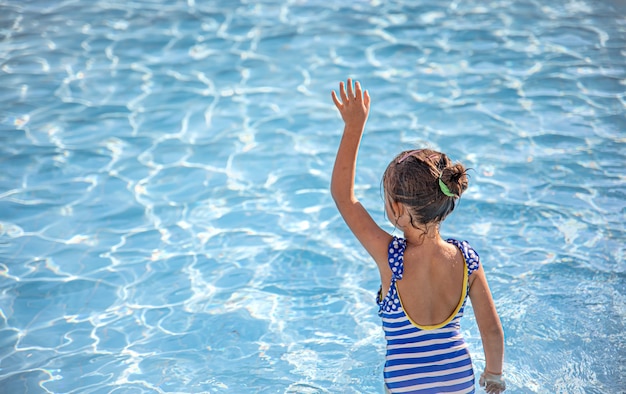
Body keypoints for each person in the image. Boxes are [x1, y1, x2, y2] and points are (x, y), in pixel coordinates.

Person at [330, 79, 506, 394]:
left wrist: (354, 126)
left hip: (405, 384)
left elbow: (344, 197)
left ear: (396, 207)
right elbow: (491, 329)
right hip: (459, 379)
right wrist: (493, 374)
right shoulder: (467, 259)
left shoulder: (390, 258)